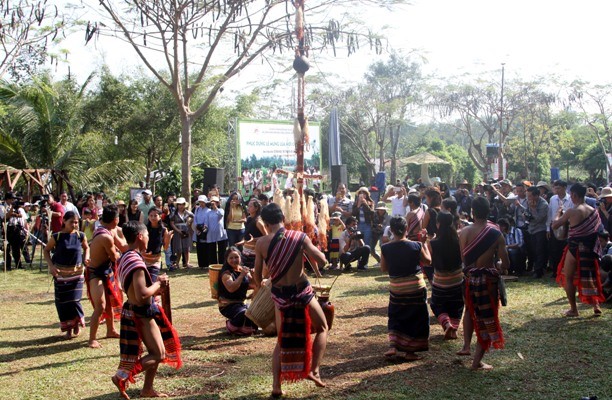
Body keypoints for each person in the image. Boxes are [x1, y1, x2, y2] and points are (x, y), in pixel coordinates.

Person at [253, 203, 328, 397]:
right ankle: (314, 370)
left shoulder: (261, 243)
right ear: (282, 219)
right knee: (322, 328)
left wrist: (264, 280)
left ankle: (276, 387)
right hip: (302, 291)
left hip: (280, 296)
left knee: (281, 340)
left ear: (266, 223)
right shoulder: (299, 237)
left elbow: (257, 275)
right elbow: (322, 260)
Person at [111, 221, 182, 400]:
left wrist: (157, 287)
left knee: (155, 350)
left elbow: (137, 291)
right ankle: (122, 377)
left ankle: (147, 389)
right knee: (159, 353)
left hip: (137, 310)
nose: (149, 238)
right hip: (142, 313)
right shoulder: (135, 260)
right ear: (140, 237)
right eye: (147, 235)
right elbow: (142, 294)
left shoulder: (126, 256)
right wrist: (158, 283)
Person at [457, 196, 509, 370]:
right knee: (487, 318)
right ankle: (476, 362)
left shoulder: (463, 232)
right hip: (487, 282)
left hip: (469, 280)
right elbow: (506, 264)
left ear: (472, 212)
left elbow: (462, 259)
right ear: (489, 212)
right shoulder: (495, 234)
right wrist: (498, 266)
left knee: (471, 313)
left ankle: (466, 346)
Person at [380, 216, 431, 360]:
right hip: (415, 287)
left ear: (391, 230)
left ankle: (393, 345)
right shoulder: (416, 246)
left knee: (396, 315)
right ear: (406, 229)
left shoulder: (386, 247)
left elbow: (384, 268)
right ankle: (410, 352)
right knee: (416, 317)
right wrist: (424, 242)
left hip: (397, 288)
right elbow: (428, 260)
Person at [552, 183, 605, 316]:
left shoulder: (572, 211)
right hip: (589, 249)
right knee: (591, 276)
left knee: (568, 277)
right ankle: (596, 305)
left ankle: (574, 309)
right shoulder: (593, 211)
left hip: (575, 248)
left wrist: (558, 213)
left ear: (574, 195)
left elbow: (555, 225)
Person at [43, 211, 89, 339]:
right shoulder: (57, 236)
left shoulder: (81, 235)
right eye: (71, 222)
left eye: (76, 222)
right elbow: (46, 251)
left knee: (74, 300)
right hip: (61, 275)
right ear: (64, 221)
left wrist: (86, 258)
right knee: (63, 302)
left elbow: (87, 248)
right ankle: (68, 328)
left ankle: (76, 324)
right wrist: (51, 266)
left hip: (77, 274)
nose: (74, 225)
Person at [87, 204, 126, 348]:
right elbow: (114, 256)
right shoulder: (105, 236)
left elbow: (120, 247)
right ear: (115, 219)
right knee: (101, 306)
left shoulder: (109, 230)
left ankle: (111, 330)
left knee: (109, 302)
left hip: (105, 271)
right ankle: (92, 339)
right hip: (95, 273)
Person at [427, 212, 464, 340]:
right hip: (457, 279)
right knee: (457, 305)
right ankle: (454, 328)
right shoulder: (459, 239)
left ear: (438, 224)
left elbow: (429, 260)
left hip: (440, 280)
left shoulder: (433, 242)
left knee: (436, 304)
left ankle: (447, 324)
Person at [217, 247, 259, 335]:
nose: (234, 260)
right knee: (244, 314)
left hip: (241, 304)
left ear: (240, 257)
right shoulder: (226, 274)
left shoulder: (243, 270)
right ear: (226, 259)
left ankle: (242, 328)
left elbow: (255, 285)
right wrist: (242, 275)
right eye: (231, 258)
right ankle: (231, 326)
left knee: (254, 314)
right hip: (228, 305)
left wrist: (254, 275)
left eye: (236, 257)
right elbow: (231, 288)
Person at [143, 208, 172, 282]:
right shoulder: (144, 229)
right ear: (148, 217)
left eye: (155, 215)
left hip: (155, 261)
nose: (153, 217)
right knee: (144, 282)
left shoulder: (164, 230)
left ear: (160, 216)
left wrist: (168, 238)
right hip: (143, 260)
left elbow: (165, 248)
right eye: (151, 215)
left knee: (151, 282)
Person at [526, 186, 549, 278]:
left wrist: (534, 208)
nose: (528, 198)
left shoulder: (544, 204)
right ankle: (535, 268)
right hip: (531, 229)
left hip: (540, 229)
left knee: (540, 251)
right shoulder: (529, 202)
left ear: (536, 196)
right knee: (533, 251)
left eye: (530, 196)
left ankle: (539, 271)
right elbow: (527, 213)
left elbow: (539, 219)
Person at [237, 198, 267, 268]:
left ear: (256, 208)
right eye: (248, 205)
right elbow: (247, 234)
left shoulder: (258, 222)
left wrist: (254, 239)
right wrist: (242, 241)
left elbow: (266, 236)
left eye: (251, 206)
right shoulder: (249, 218)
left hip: (254, 254)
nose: (248, 207)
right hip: (245, 251)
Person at [1, 192, 28, 270]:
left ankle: (18, 264)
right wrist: (12, 209)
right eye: (11, 199)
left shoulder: (15, 207)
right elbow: (4, 217)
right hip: (6, 228)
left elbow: (20, 216)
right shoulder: (2, 207)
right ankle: (8, 265)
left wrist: (17, 211)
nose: (13, 201)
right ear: (7, 199)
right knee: (7, 248)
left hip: (15, 228)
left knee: (16, 247)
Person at [168, 197, 194, 270]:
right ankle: (177, 263)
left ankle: (187, 263)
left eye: (182, 204)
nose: (181, 206)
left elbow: (193, 216)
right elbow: (172, 223)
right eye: (179, 204)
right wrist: (178, 230)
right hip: (177, 231)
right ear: (177, 205)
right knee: (178, 248)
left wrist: (189, 222)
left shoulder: (187, 212)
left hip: (186, 230)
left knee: (186, 247)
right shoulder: (174, 213)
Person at [204, 196, 228, 267]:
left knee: (222, 249)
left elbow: (220, 216)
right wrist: (205, 227)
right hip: (211, 233)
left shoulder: (221, 210)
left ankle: (222, 264)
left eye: (215, 202)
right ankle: (213, 264)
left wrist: (216, 208)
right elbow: (206, 222)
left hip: (220, 232)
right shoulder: (209, 213)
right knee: (212, 250)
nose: (213, 204)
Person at [192, 195, 210, 269]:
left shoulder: (208, 210)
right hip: (197, 229)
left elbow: (207, 220)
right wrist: (196, 226)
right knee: (199, 247)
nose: (201, 204)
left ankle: (206, 264)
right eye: (200, 202)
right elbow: (195, 218)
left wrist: (203, 227)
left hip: (205, 230)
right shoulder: (197, 209)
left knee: (205, 247)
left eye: (202, 202)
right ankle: (201, 264)